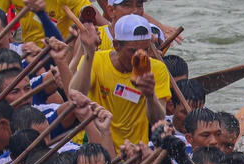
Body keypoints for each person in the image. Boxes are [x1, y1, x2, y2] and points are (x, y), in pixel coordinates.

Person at [72, 13, 171, 147]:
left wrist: (150, 95)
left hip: (132, 150)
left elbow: (158, 120)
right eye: (133, 51)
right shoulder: (96, 61)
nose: (140, 57)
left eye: (145, 50)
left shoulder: (157, 69)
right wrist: (89, 52)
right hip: (94, 145)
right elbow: (75, 94)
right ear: (116, 45)